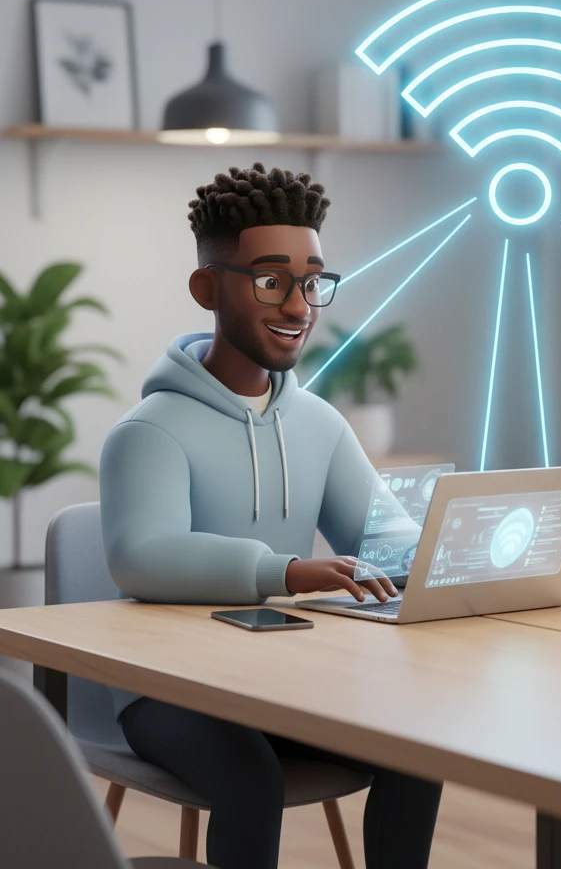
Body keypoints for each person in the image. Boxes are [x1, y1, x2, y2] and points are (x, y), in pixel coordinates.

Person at [99, 163, 442, 869]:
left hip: (282, 680)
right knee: (250, 778)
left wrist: (450, 552)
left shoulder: (317, 424)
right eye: (270, 280)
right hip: (165, 689)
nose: (299, 306)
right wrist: (282, 569)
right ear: (207, 289)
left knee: (417, 749)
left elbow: (380, 535)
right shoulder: (148, 431)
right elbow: (143, 553)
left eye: (312, 281)